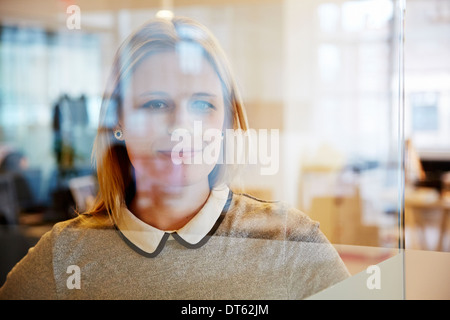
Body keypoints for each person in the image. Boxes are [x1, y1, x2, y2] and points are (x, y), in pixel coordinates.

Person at [0, 16, 349, 300]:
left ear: (227, 120)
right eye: (155, 104)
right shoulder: (64, 255)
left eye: (202, 104)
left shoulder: (288, 241)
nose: (182, 126)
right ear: (119, 121)